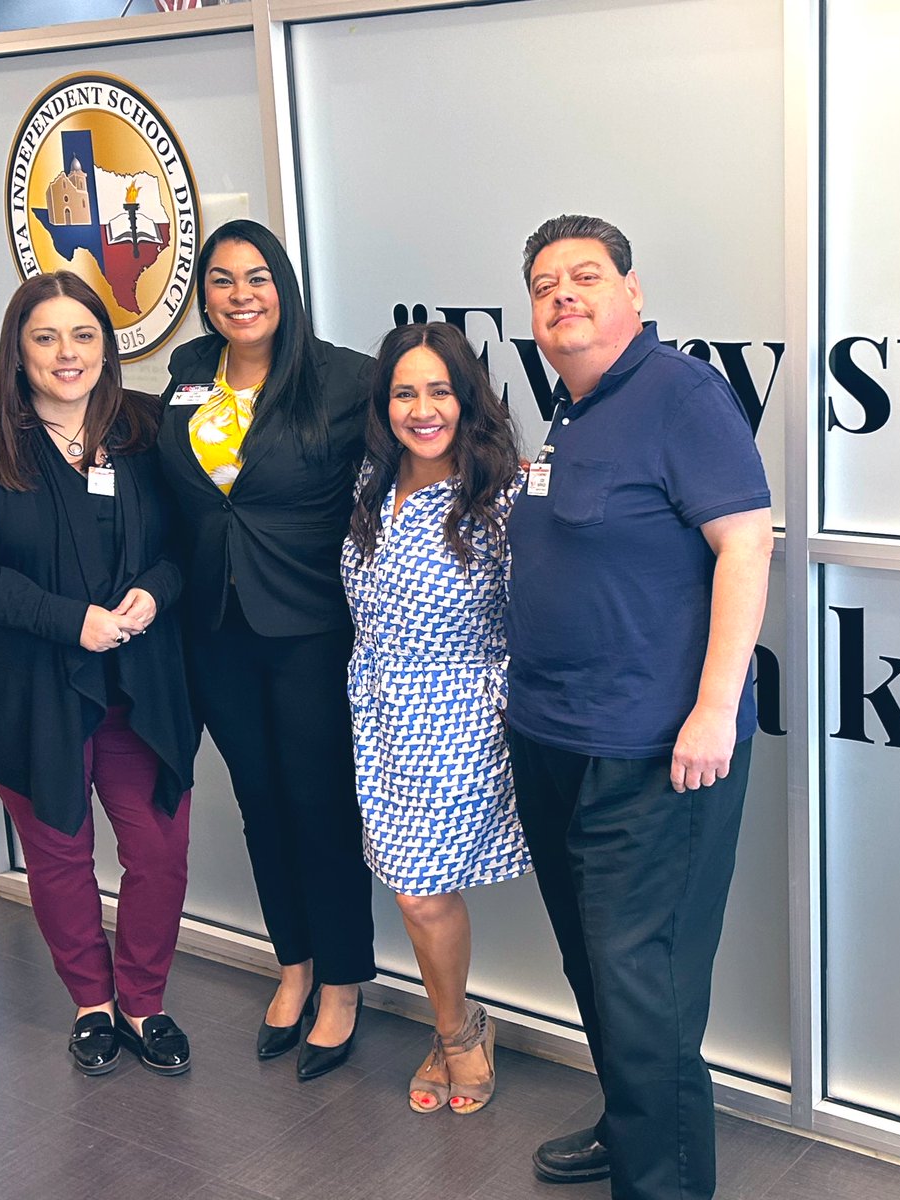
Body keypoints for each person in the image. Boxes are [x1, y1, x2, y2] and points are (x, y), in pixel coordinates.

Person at [504, 216, 772, 1197]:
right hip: (556, 741)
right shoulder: (572, 407)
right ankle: (629, 1128)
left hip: (654, 754)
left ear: (633, 292)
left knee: (644, 993)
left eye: (585, 276)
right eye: (544, 283)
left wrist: (714, 708)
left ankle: (661, 1181)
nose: (563, 294)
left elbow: (746, 546)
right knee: (594, 968)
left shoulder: (681, 395)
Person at [0, 271, 196, 1077]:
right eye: (45, 337)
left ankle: (144, 1002)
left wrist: (155, 589)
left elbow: (186, 541)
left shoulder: (143, 432)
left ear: (106, 346)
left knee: (158, 850)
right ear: (18, 350)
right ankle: (93, 1005)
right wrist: (69, 620)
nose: (66, 354)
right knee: (59, 850)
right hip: (25, 686)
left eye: (82, 335)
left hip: (136, 682)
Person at [157, 219, 376, 1080]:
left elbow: (401, 478)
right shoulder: (185, 375)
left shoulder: (343, 380)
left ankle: (344, 983)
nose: (240, 295)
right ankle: (294, 964)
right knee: (259, 801)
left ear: (283, 285)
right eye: (221, 280)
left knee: (320, 804)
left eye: (256, 277)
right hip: (213, 628)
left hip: (310, 627)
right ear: (202, 293)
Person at [342, 322, 531, 1114]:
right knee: (406, 881)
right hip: (379, 708)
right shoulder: (371, 486)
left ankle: (457, 1033)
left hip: (462, 711)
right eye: (404, 393)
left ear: (467, 398)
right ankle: (456, 1021)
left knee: (420, 890)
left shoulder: (503, 494)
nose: (422, 409)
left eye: (438, 391)